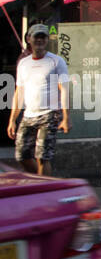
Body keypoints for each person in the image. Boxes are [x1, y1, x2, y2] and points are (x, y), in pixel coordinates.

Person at [7, 24, 69, 176]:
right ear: (29, 39)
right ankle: (41, 182)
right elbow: (19, 92)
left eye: (43, 37)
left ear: (47, 40)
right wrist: (12, 120)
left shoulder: (56, 61)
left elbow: (65, 89)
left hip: (49, 114)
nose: (40, 40)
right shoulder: (23, 63)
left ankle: (44, 190)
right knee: (21, 155)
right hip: (28, 115)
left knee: (42, 156)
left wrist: (66, 117)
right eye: (36, 37)